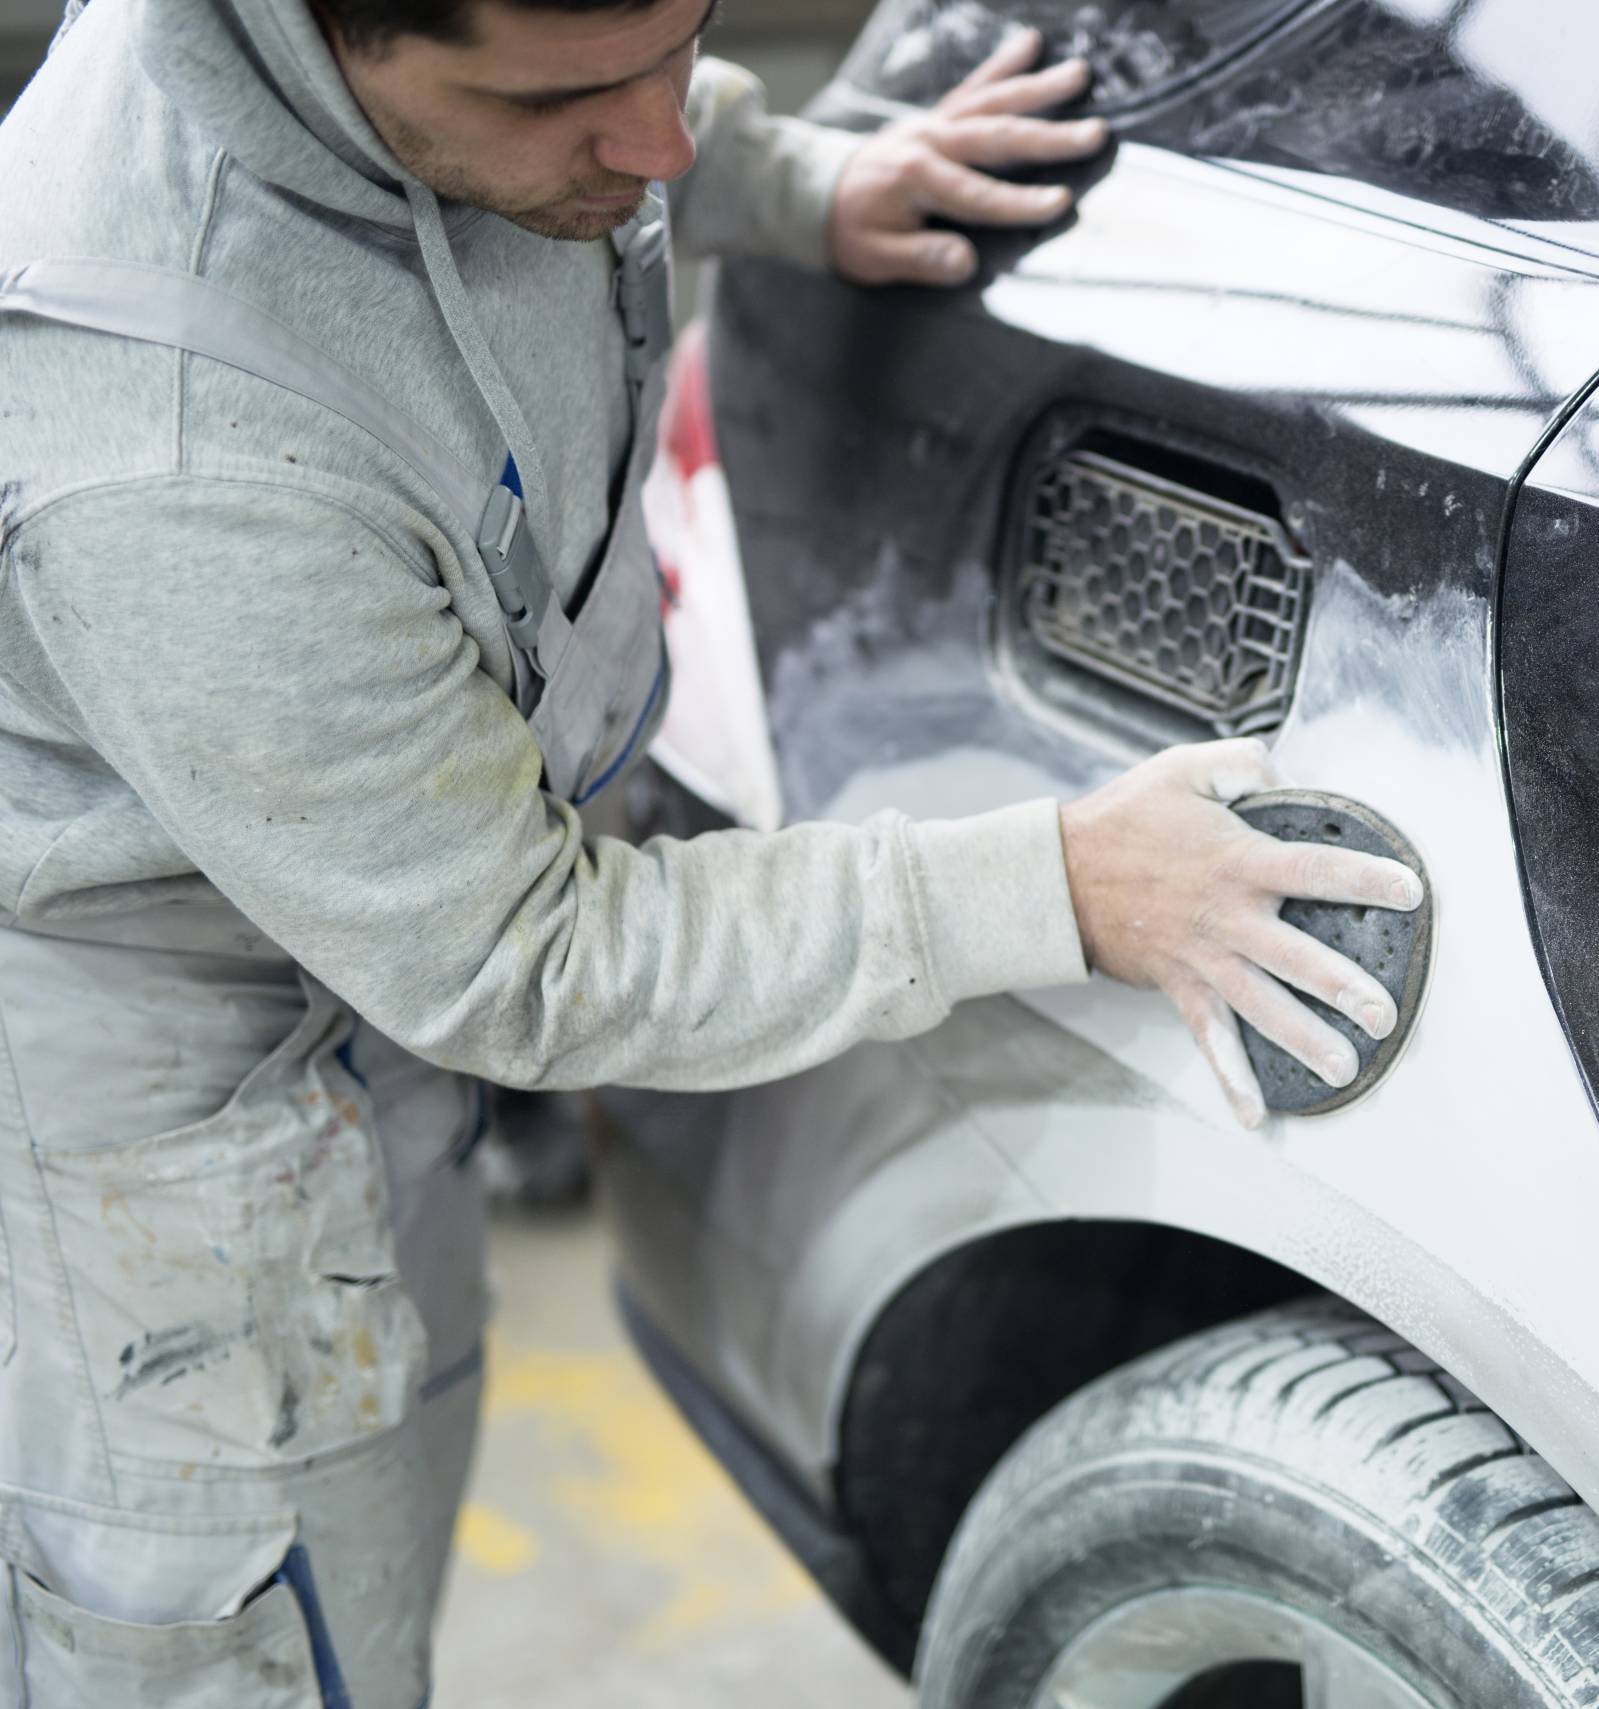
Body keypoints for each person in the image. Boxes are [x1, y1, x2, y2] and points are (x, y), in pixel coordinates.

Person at [0, 0, 1421, 1699]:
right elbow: (519, 959)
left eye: (677, 44)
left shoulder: (508, 96)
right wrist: (1052, 886)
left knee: (392, 1491)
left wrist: (798, 177)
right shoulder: (168, 453)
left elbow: (628, 124)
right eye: (569, 101)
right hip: (183, 1143)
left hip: (369, 999)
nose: (656, 143)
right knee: (275, 1637)